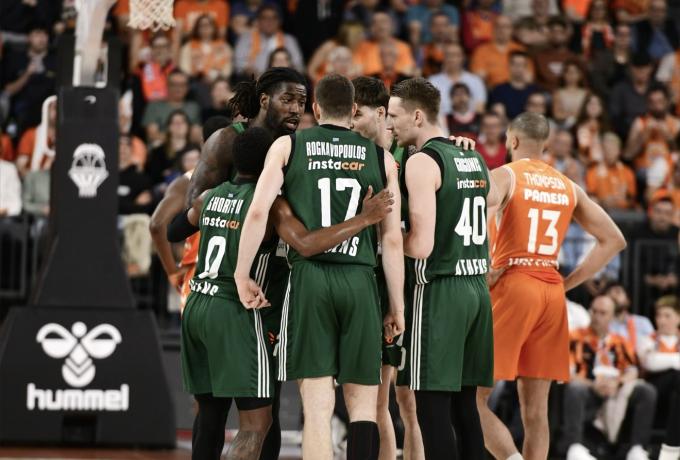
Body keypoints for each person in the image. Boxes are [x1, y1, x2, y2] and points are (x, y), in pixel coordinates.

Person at [167, 127, 395, 460]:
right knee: (256, 424)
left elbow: (173, 230)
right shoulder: (272, 206)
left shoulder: (208, 197)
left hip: (198, 303)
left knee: (209, 415)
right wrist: (364, 219)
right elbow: (306, 244)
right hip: (236, 310)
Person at [234, 74, 406, 460]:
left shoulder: (288, 145)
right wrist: (396, 305)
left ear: (315, 108)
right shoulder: (381, 158)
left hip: (309, 280)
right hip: (360, 280)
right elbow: (392, 240)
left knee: (316, 408)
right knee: (364, 407)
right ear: (354, 110)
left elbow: (259, 211)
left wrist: (242, 274)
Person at [477, 112, 626, 460]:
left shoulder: (505, 174)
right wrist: (567, 284)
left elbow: (481, 213)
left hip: (514, 282)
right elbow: (614, 240)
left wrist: (485, 264)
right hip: (551, 291)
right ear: (545, 145)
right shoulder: (567, 185)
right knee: (536, 411)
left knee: (469, 398)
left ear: (512, 140)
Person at [184, 67, 309, 459]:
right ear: (265, 99)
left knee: (264, 402)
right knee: (232, 413)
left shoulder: (297, 145)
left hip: (269, 286)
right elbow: (191, 205)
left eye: (302, 102)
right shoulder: (227, 140)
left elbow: (185, 217)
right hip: (232, 287)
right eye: (289, 99)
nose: (296, 109)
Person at [388, 77, 497, 460]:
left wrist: (384, 238)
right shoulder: (474, 157)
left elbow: (421, 245)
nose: (390, 124)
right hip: (476, 289)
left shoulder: (422, 161)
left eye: (395, 116)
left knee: (432, 408)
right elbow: (486, 207)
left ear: (417, 116)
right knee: (465, 407)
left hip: (440, 291)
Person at [351, 76, 425, 460]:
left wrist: (458, 144)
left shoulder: (407, 154)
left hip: (403, 280)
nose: (349, 122)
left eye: (356, 114)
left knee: (407, 401)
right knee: (377, 401)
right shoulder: (349, 153)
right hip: (367, 280)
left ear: (380, 114)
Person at [560, 295, 657, 460]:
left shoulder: (620, 341)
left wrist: (617, 383)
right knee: (575, 388)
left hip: (616, 388)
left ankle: (637, 448)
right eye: (594, 311)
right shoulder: (574, 337)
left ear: (612, 317)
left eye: (603, 313)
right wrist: (593, 384)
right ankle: (574, 446)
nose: (596, 316)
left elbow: (632, 370)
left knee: (646, 391)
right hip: (589, 389)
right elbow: (567, 372)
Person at [637, 295, 680, 460]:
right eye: (659, 315)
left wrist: (664, 360)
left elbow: (657, 359)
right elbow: (650, 362)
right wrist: (676, 360)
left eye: (667, 316)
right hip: (654, 387)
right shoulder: (647, 339)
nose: (661, 320)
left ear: (678, 317)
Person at [623, 85, 679, 197]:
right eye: (652, 102)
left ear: (667, 102)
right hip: (644, 171)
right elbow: (627, 155)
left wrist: (669, 138)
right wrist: (643, 136)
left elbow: (677, 153)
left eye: (660, 102)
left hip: (670, 171)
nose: (656, 106)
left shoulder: (676, 124)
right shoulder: (640, 123)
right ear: (647, 104)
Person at [233, 5, 304, 76]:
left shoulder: (289, 40)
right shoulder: (246, 38)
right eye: (265, 18)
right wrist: (254, 74)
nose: (269, 21)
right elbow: (239, 64)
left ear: (280, 21)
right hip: (253, 79)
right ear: (258, 21)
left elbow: (299, 66)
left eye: (274, 18)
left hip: (284, 78)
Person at [142, 70, 201, 147]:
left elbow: (196, 134)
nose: (178, 88)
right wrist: (177, 138)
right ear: (167, 86)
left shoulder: (193, 107)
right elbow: (152, 135)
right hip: (162, 147)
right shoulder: (154, 106)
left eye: (182, 85)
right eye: (174, 84)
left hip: (187, 149)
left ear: (187, 87)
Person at [428, 43, 487, 116]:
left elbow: (479, 109)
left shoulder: (475, 81)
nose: (451, 59)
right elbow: (430, 111)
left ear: (463, 57)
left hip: (470, 122)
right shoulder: (432, 81)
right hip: (441, 121)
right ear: (443, 57)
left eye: (455, 55)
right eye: (448, 55)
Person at [470, 15, 528, 89]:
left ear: (512, 30)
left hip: (516, 89)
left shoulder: (520, 49)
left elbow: (528, 77)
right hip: (492, 91)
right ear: (493, 29)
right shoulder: (481, 51)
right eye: (498, 26)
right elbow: (478, 78)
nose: (502, 30)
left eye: (505, 26)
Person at [353, 10, 416, 77]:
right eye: (375, 22)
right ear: (371, 28)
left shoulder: (403, 47)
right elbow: (357, 71)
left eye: (383, 22)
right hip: (369, 82)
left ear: (392, 25)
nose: (380, 26)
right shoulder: (362, 47)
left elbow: (407, 71)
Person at [585, 132, 637, 210]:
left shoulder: (627, 172)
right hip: (601, 211)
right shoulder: (592, 172)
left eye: (613, 148)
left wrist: (622, 202)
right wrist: (602, 202)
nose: (610, 152)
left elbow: (632, 198)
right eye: (607, 148)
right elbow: (590, 197)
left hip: (624, 212)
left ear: (619, 151)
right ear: (602, 150)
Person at [178, 14, 232, 82]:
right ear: (197, 28)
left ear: (214, 27)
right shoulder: (188, 47)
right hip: (195, 81)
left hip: (218, 81)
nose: (205, 28)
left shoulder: (224, 46)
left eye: (208, 25)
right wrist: (199, 76)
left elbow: (227, 69)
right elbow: (185, 68)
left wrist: (215, 76)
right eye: (202, 26)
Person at [488, 51, 539, 120]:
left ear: (526, 67)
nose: (518, 67)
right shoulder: (499, 90)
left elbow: (538, 115)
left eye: (521, 64)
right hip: (507, 126)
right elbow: (499, 116)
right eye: (514, 64)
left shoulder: (534, 90)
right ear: (508, 66)